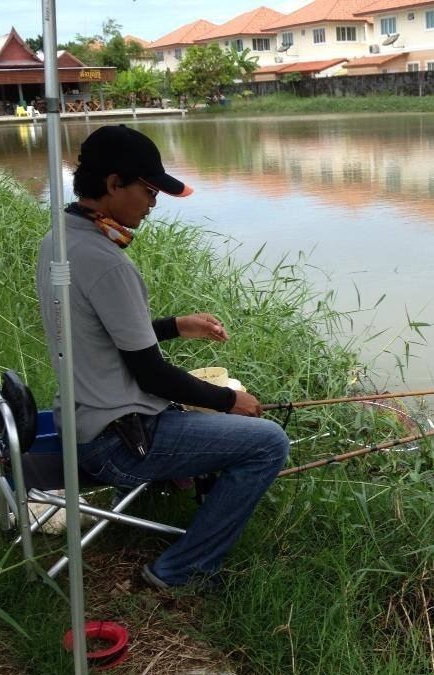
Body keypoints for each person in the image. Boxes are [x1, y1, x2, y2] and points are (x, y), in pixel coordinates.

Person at [35, 124, 290, 588]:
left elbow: (102, 337)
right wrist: (230, 402)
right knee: (268, 442)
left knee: (214, 412)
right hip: (117, 442)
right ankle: (181, 570)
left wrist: (177, 326)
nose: (153, 204)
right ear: (114, 184)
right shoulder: (108, 261)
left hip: (78, 418)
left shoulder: (59, 239)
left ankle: (166, 496)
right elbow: (151, 373)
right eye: (149, 191)